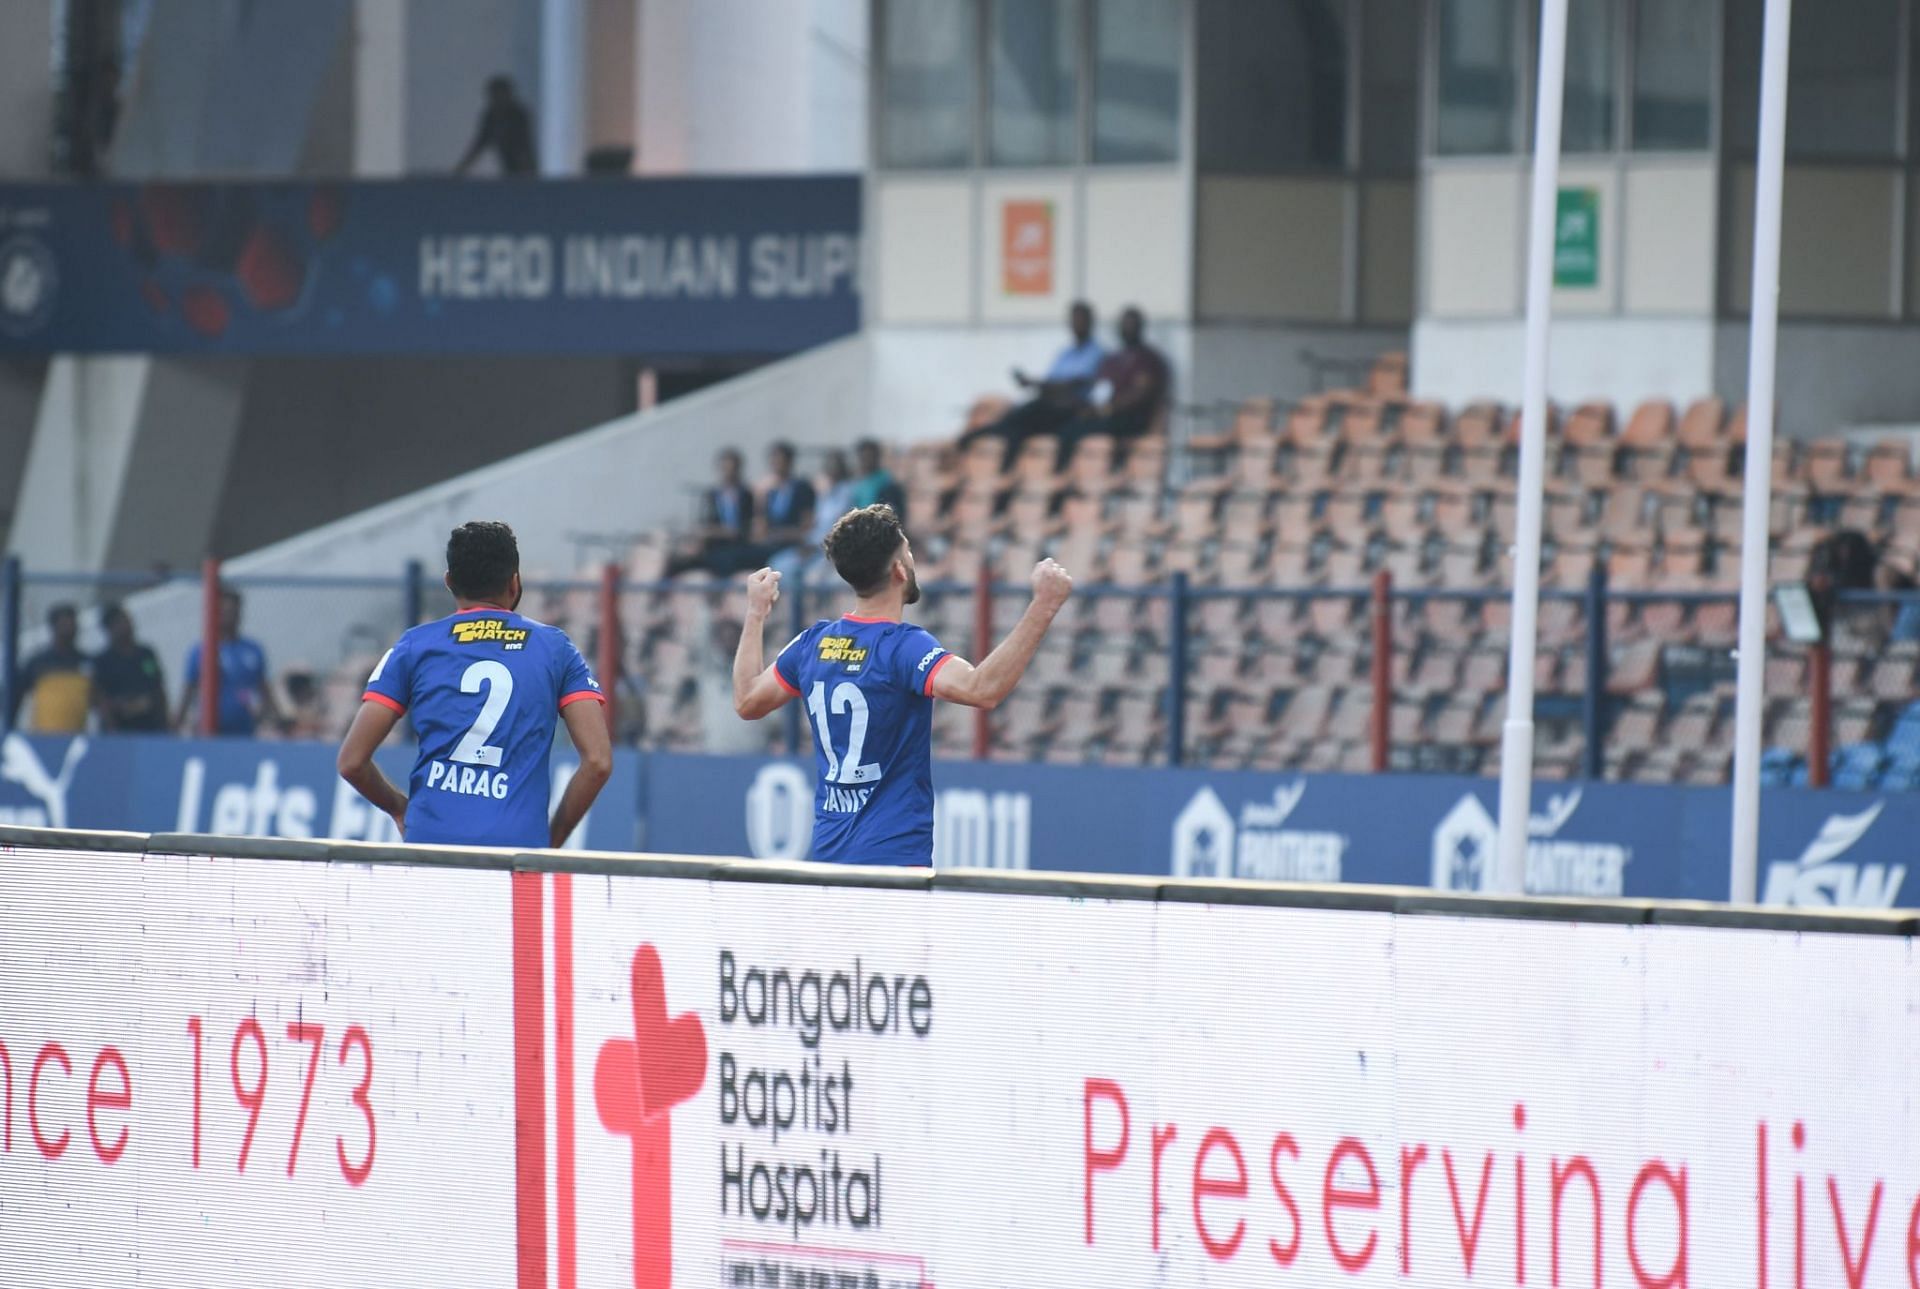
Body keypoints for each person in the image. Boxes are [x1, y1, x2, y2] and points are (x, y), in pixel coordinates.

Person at [732, 503, 1073, 866]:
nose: (912, 561)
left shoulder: (812, 643)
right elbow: (982, 689)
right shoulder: (903, 646)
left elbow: (747, 700)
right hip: (894, 859)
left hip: (830, 857)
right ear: (898, 569)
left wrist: (755, 613)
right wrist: (1044, 606)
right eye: (908, 552)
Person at [337, 520, 613, 849]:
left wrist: (398, 807)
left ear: (450, 582)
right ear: (514, 583)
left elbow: (352, 761)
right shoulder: (556, 648)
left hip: (430, 844)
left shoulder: (415, 645)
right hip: (518, 849)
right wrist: (551, 839)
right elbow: (598, 762)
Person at [958, 301, 1105, 469]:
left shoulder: (1097, 352)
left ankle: (975, 437)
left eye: (1081, 319)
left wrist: (1035, 383)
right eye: (1074, 319)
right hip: (1047, 404)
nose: (1076, 323)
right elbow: (1051, 382)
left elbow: (1071, 385)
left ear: (1090, 322)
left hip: (1067, 410)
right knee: (1014, 428)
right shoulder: (1065, 353)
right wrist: (1034, 383)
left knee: (1014, 421)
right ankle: (1001, 467)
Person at [1054, 305, 1171, 470]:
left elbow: (1141, 393)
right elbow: (1101, 388)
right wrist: (1093, 408)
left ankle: (1068, 473)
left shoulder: (1148, 358)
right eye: (1124, 325)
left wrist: (1109, 408)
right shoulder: (1114, 358)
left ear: (1140, 327)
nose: (1127, 329)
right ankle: (1066, 474)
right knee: (1069, 428)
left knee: (1078, 432)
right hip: (1106, 414)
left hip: (1131, 419)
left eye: (1131, 325)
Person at [176, 589, 284, 736]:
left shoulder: (253, 649)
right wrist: (177, 724)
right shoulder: (200, 651)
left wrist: (276, 716)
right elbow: (189, 690)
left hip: (245, 731)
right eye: (225, 611)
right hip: (209, 732)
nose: (230, 616)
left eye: (234, 611)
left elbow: (263, 688)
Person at [668, 448, 757, 577]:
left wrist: (717, 532)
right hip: (712, 546)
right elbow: (704, 523)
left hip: (736, 547)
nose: (728, 473)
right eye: (725, 468)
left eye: (731, 468)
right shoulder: (712, 495)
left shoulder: (746, 495)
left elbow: (743, 528)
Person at [12, 604, 91, 734]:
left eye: (73, 623)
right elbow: (16, 697)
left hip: (77, 738)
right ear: (53, 626)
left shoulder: (85, 661)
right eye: (65, 623)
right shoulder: (37, 662)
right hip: (43, 738)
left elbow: (99, 699)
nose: (71, 628)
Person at [91, 604, 167, 733]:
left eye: (128, 620)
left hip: (150, 726)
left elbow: (156, 683)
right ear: (109, 628)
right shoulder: (102, 661)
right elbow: (99, 697)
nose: (127, 625)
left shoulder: (145, 655)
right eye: (120, 622)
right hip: (120, 729)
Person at [455, 75, 538, 176]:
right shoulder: (491, 117)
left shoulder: (518, 115)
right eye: (496, 95)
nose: (499, 99)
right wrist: (460, 171)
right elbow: (478, 145)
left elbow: (523, 146)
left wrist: (526, 172)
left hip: (524, 170)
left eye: (501, 94)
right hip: (510, 169)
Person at [754, 440, 817, 563]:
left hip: (793, 545)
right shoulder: (770, 491)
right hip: (770, 544)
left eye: (780, 460)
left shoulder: (802, 488)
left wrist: (784, 534)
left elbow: (807, 525)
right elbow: (761, 525)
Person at [849, 439, 906, 517]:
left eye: (869, 456)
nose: (866, 460)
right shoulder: (858, 482)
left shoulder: (886, 480)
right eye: (863, 457)